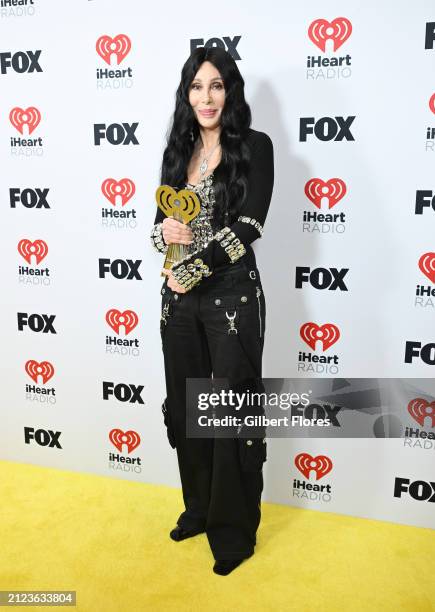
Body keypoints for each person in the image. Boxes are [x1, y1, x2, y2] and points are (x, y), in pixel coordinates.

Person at [150, 46, 274, 576]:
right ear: (187, 94)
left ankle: (233, 530)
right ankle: (200, 509)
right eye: (197, 87)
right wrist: (164, 234)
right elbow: (160, 228)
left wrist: (193, 267)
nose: (207, 97)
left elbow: (250, 226)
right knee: (184, 409)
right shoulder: (177, 153)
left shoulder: (255, 147)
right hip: (177, 305)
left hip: (232, 299)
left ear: (231, 91)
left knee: (226, 415)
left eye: (217, 85)